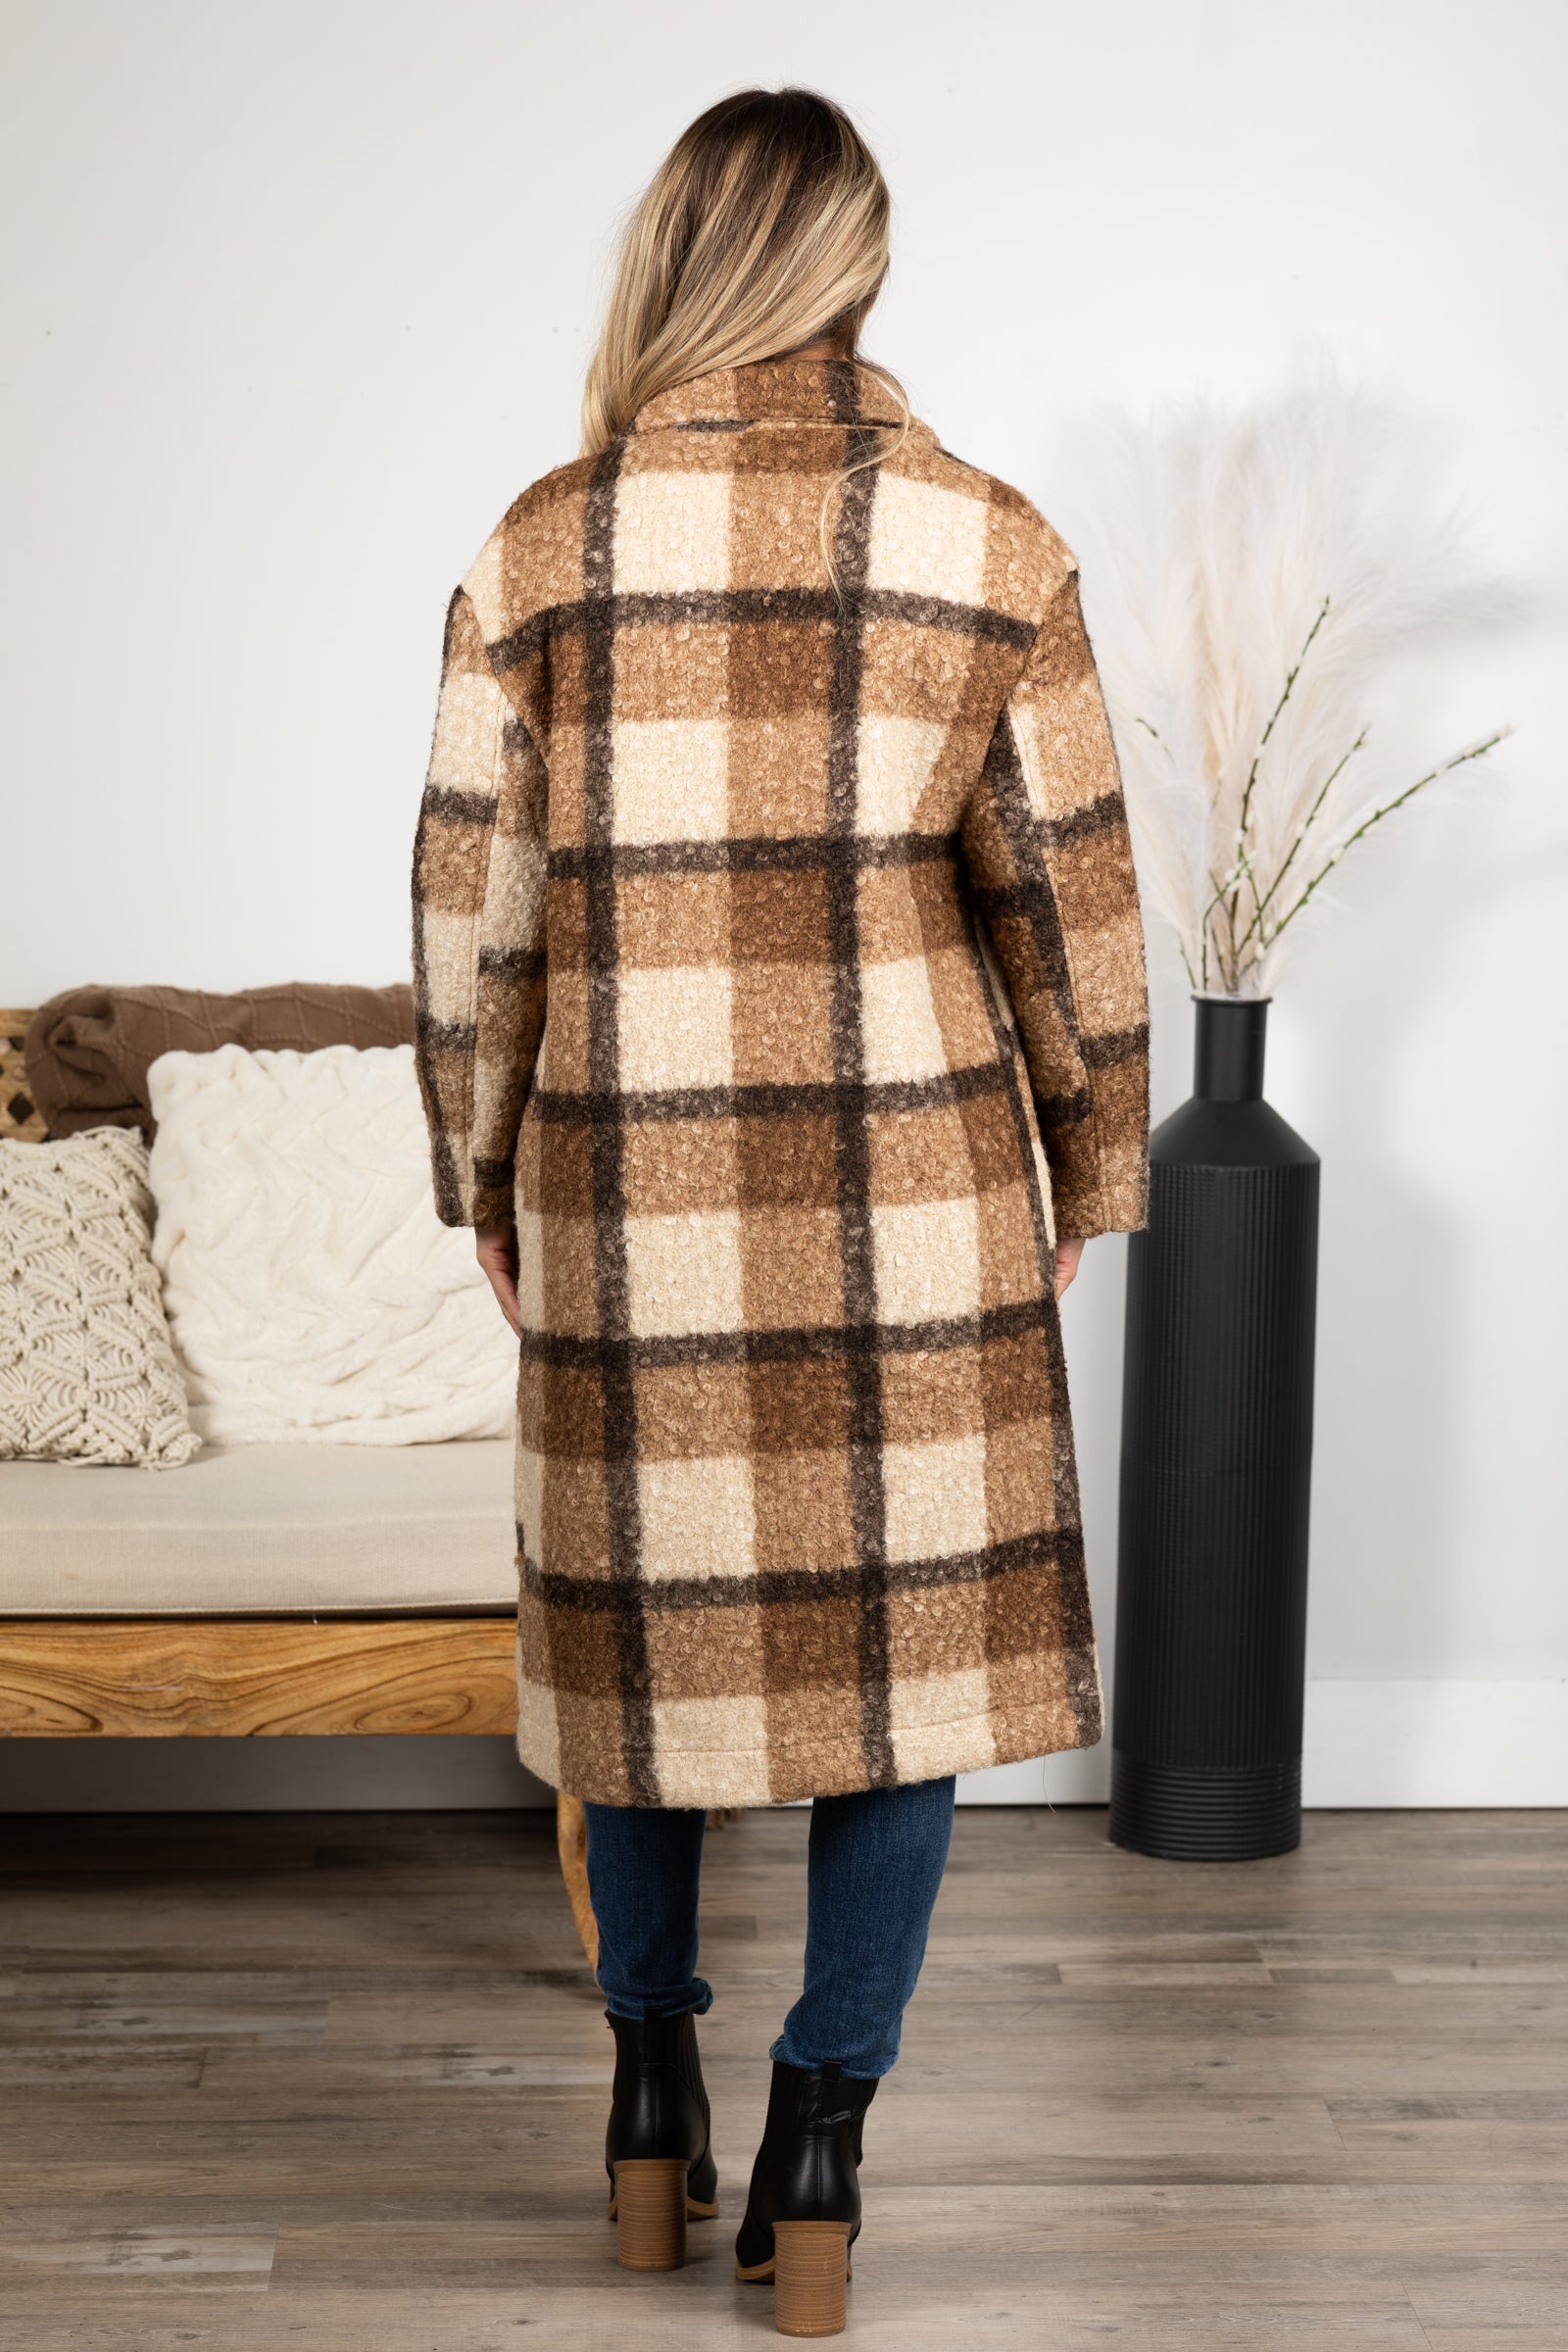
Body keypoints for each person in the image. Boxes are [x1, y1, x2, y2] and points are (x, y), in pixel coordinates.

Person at [413, 84, 1149, 2339]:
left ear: (672, 259)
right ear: (855, 268)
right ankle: (819, 2140)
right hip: (910, 1195)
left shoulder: (543, 547)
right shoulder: (986, 541)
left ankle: (649, 2097)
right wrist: (1086, 1157)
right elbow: (1068, 902)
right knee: (891, 1684)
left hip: (629, 1190)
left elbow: (474, 923)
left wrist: (483, 1168)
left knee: (647, 1663)